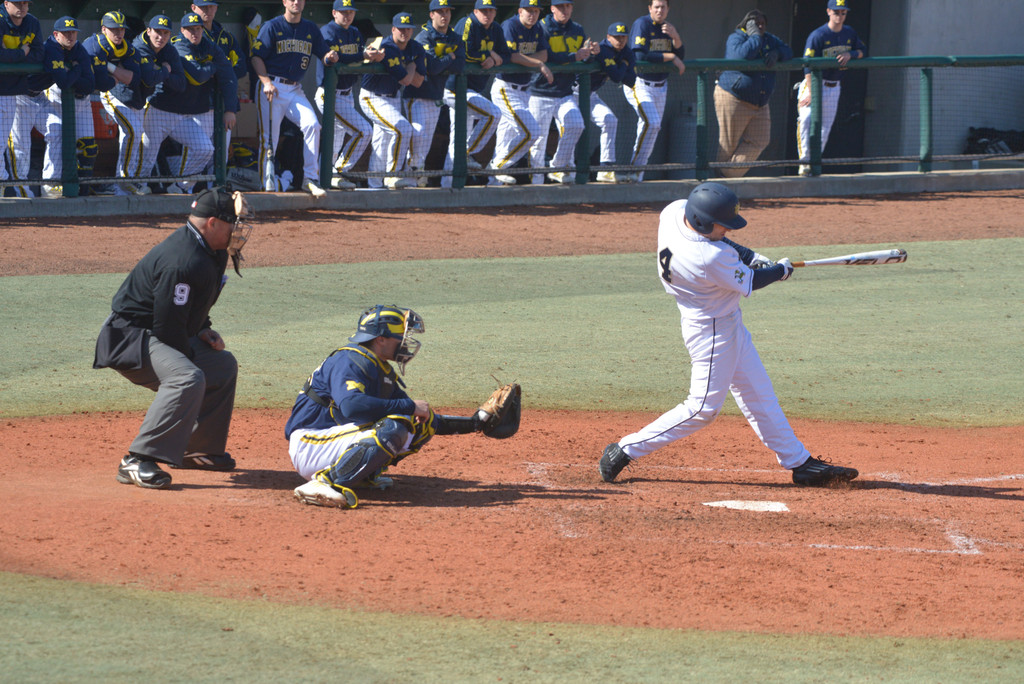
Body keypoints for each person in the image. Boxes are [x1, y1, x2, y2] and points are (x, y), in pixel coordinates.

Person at [599, 182, 859, 488]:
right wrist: (780, 270)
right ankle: (624, 450)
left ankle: (800, 463)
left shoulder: (674, 213)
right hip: (711, 331)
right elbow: (753, 280)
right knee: (702, 408)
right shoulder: (707, 257)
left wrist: (751, 255)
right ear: (702, 222)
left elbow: (728, 247)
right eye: (722, 225)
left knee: (758, 392)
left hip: (722, 320)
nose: (727, 230)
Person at [93, 186, 255, 490]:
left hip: (156, 332)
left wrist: (203, 328)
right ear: (212, 223)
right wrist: (189, 358)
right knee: (188, 377)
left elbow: (193, 303)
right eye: (233, 223)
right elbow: (168, 328)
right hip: (128, 338)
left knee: (221, 365)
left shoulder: (213, 250)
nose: (239, 231)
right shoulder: (182, 260)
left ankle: (199, 449)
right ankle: (137, 460)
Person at [286, 305, 512, 509]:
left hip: (332, 440)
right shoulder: (350, 360)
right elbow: (352, 406)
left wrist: (477, 422)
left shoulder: (378, 368)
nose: (405, 343)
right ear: (380, 339)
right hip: (310, 442)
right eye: (400, 337)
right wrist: (409, 406)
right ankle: (325, 482)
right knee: (396, 425)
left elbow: (420, 416)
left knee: (418, 423)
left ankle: (358, 474)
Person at [251, 0, 340, 197]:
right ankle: (266, 185)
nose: (296, 2)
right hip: (271, 86)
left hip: (294, 89)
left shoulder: (309, 28)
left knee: (313, 125)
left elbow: (323, 53)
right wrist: (266, 82)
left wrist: (330, 56)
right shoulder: (272, 26)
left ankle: (310, 179)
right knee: (269, 139)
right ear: (284, 2)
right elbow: (256, 56)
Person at [141, 12, 234, 195]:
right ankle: (135, 189)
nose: (194, 33)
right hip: (160, 111)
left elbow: (229, 76)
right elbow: (196, 76)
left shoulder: (210, 47)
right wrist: (214, 67)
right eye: (190, 29)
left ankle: (180, 187)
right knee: (147, 157)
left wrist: (230, 109)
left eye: (198, 28)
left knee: (205, 149)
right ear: (182, 30)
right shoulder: (178, 46)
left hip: (184, 117)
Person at [14, 15, 89, 199]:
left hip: (39, 97)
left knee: (57, 130)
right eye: (66, 33)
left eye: (73, 32)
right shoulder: (52, 48)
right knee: (21, 146)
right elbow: (64, 82)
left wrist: (74, 71)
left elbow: (89, 84)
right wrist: (76, 69)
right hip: (21, 97)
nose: (70, 36)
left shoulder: (76, 49)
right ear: (56, 34)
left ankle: (50, 184)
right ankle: (19, 189)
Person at [714, 9, 792, 178]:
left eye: (763, 23)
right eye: (756, 23)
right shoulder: (737, 37)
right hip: (734, 97)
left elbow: (788, 51)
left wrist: (777, 53)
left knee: (761, 140)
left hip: (760, 102)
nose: (761, 26)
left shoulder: (770, 39)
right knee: (728, 144)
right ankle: (717, 186)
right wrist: (755, 36)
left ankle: (724, 176)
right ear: (747, 24)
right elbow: (742, 56)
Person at [796, 0, 866, 176]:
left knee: (824, 128)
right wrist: (813, 93)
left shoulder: (849, 33)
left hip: (834, 86)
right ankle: (804, 162)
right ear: (828, 11)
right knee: (806, 119)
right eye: (836, 12)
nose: (840, 16)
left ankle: (814, 163)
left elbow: (863, 50)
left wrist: (851, 54)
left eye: (843, 12)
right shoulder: (818, 35)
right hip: (814, 84)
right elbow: (807, 65)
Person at [316, 0, 380, 190]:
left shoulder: (355, 32)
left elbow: (359, 60)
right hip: (329, 94)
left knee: (334, 142)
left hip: (347, 93)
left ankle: (322, 179)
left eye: (351, 11)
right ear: (334, 13)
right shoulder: (327, 31)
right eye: (344, 12)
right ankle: (338, 172)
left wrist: (373, 56)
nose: (348, 15)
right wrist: (363, 56)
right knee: (364, 131)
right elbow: (337, 58)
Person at [528, 0, 594, 185]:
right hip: (540, 92)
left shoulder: (578, 29)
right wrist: (575, 56)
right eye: (561, 7)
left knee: (576, 125)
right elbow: (547, 56)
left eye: (568, 6)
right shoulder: (542, 26)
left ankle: (558, 166)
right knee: (538, 142)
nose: (565, 10)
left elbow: (585, 58)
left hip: (564, 92)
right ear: (552, 9)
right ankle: (536, 185)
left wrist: (592, 53)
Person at [85, 11, 149, 196]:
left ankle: (124, 181)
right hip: (68, 93)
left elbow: (134, 78)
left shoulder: (126, 47)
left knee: (135, 133)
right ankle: (122, 180)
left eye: (121, 29)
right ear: (104, 29)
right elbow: (102, 83)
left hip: (97, 94)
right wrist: (118, 73)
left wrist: (109, 67)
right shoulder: (94, 45)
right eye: (114, 29)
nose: (118, 33)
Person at [488, 0, 552, 186]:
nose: (532, 14)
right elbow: (512, 56)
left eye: (536, 11)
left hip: (525, 90)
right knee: (531, 132)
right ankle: (497, 165)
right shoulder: (510, 25)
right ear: (520, 11)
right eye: (528, 10)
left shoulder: (537, 27)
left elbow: (544, 55)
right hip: (506, 87)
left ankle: (493, 185)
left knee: (505, 139)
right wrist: (537, 63)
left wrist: (533, 60)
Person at [359, 12, 425, 190]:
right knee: (403, 128)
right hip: (372, 96)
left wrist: (408, 70)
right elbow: (405, 80)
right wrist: (410, 65)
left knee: (382, 143)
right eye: (401, 29)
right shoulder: (385, 45)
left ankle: (375, 185)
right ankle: (392, 175)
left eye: (408, 29)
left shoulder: (416, 48)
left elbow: (417, 82)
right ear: (393, 29)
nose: (405, 32)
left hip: (392, 97)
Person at [404, 0, 465, 188]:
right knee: (418, 135)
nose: (444, 15)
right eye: (440, 12)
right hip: (417, 95)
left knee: (425, 142)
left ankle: (416, 177)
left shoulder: (453, 37)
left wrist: (445, 61)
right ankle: (409, 174)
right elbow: (433, 67)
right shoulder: (424, 37)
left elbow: (461, 63)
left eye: (447, 11)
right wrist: (449, 58)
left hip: (436, 95)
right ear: (431, 15)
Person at [441, 0, 502, 187]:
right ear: (475, 11)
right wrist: (488, 56)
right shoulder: (467, 23)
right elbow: (464, 52)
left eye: (491, 10)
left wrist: (495, 58)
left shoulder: (496, 28)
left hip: (472, 89)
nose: (487, 14)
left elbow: (506, 54)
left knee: (458, 136)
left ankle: (448, 184)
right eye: (483, 10)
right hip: (455, 88)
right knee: (493, 114)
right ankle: (466, 154)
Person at [625, 0, 685, 183]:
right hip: (639, 83)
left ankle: (637, 175)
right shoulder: (642, 24)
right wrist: (671, 56)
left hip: (661, 85)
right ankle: (633, 170)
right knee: (652, 123)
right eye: (656, 7)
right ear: (650, 8)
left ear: (668, 9)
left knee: (652, 128)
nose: (660, 10)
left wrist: (676, 37)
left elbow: (681, 56)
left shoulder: (668, 28)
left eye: (663, 7)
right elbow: (639, 55)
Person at [191, 1, 247, 172]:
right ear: (194, 8)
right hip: (198, 104)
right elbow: (193, 71)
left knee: (220, 155)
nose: (208, 10)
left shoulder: (226, 36)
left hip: (222, 103)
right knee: (200, 152)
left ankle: (214, 193)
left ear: (216, 8)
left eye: (211, 6)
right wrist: (223, 68)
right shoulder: (190, 35)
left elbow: (241, 67)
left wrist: (218, 72)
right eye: (203, 7)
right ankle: (184, 188)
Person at [582, 22, 636, 184]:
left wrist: (621, 66)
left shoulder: (627, 51)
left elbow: (630, 80)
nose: (620, 40)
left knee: (610, 120)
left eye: (623, 37)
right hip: (572, 92)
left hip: (590, 95)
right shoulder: (602, 49)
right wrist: (624, 65)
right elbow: (617, 76)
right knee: (571, 128)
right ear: (608, 37)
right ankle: (561, 168)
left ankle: (605, 168)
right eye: (616, 37)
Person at [1, 0, 43, 198]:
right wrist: (22, 52)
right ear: (6, 3)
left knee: (4, 143)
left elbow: (38, 55)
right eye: (17, 2)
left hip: (11, 92)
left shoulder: (32, 22)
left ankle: (6, 187)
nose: (22, 6)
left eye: (25, 2)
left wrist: (10, 55)